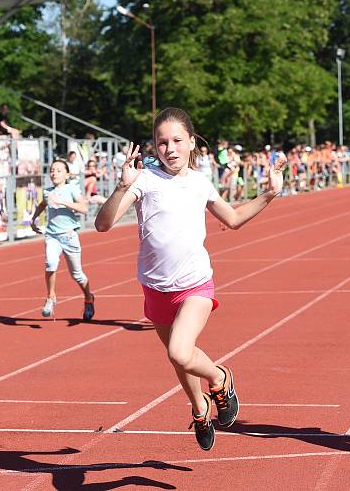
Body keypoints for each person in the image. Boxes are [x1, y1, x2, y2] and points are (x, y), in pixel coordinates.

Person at [94, 107, 286, 451]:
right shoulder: (144, 180)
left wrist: (268, 194)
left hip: (195, 283)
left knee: (180, 352)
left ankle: (219, 378)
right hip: (155, 287)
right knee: (177, 357)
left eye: (177, 141)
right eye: (162, 142)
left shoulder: (200, 182)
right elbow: (103, 224)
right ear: (154, 146)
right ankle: (199, 408)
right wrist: (121, 188)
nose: (170, 148)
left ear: (192, 142)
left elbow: (234, 218)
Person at [30, 159, 95, 320]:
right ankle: (51, 297)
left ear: (66, 174)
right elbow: (43, 204)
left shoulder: (71, 189)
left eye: (59, 170)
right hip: (52, 236)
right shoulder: (47, 191)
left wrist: (63, 202)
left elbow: (84, 207)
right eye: (52, 170)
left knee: (77, 274)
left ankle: (88, 298)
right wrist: (34, 219)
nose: (54, 173)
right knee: (51, 264)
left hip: (69, 236)